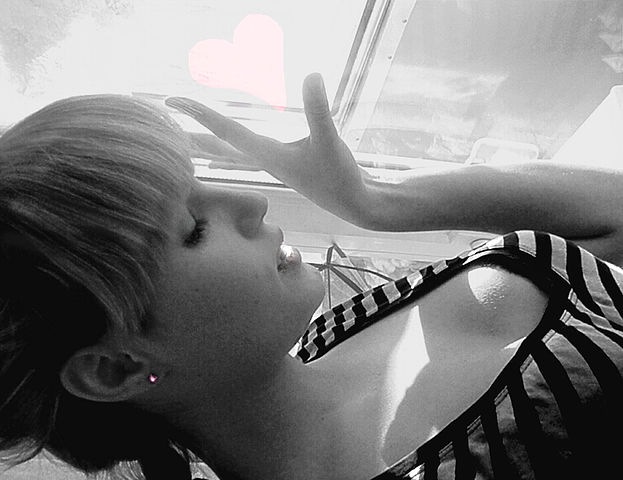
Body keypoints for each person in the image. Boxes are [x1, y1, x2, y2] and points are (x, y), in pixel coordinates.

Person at [0, 73, 622, 480]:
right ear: (116, 368)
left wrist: (378, 202)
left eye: (199, 181)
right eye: (193, 228)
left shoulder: (336, 330)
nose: (252, 203)